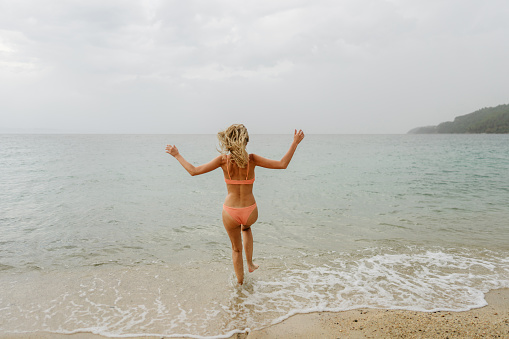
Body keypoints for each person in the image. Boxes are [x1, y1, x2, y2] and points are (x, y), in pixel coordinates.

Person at [166, 124, 305, 285]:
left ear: (228, 141)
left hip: (230, 212)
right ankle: (251, 263)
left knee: (235, 249)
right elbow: (282, 164)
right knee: (246, 228)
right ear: (246, 141)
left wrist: (177, 155)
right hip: (250, 210)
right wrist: (294, 143)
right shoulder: (252, 159)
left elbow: (194, 171)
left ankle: (240, 284)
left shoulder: (223, 160)